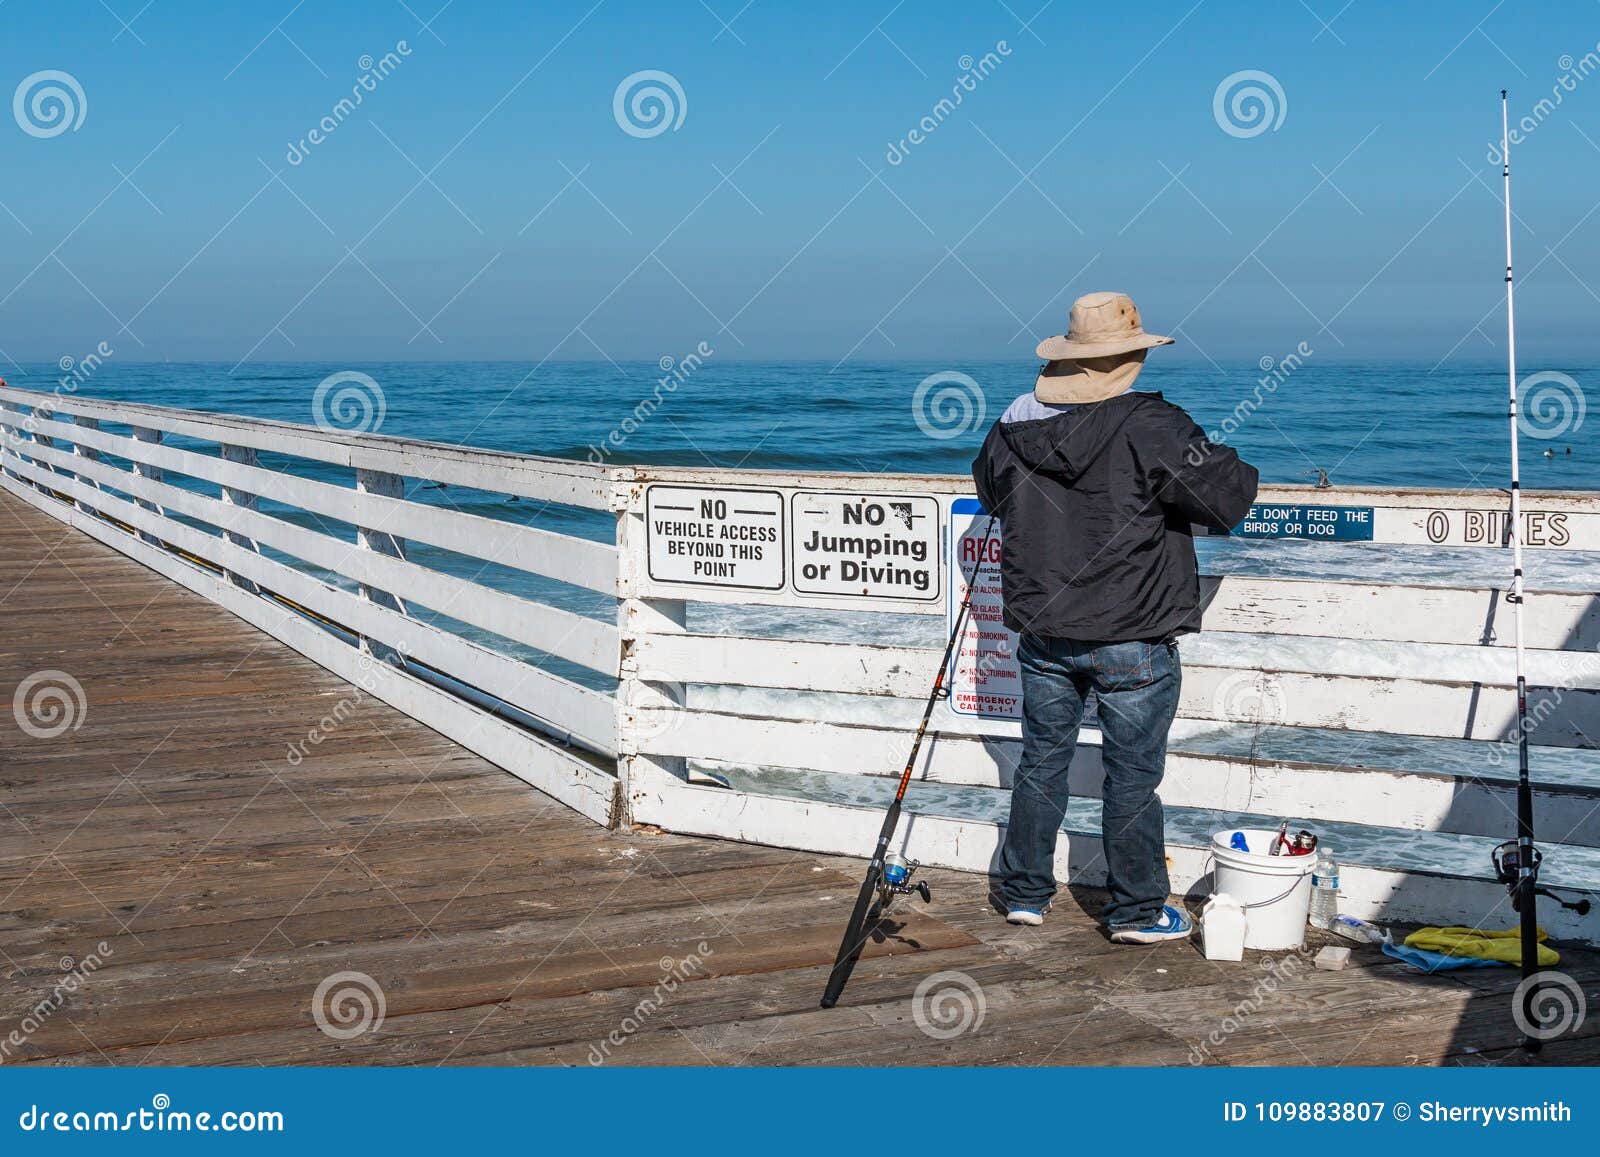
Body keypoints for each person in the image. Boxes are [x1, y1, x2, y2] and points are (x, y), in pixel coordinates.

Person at [971, 291, 1259, 943]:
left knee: (1041, 760)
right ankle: (1133, 910)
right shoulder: (1151, 423)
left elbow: (990, 491)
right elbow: (1224, 496)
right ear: (1128, 357)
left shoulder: (1014, 422)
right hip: (1133, 629)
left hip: (1043, 629)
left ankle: (1023, 892)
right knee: (1131, 774)